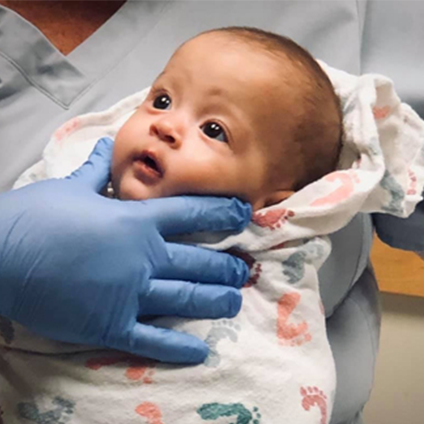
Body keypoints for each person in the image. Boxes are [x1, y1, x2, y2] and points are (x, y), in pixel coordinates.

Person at [2, 2, 423, 423]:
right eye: (162, 100)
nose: (165, 126)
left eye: (214, 130)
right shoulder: (71, 180)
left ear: (273, 202)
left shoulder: (273, 243)